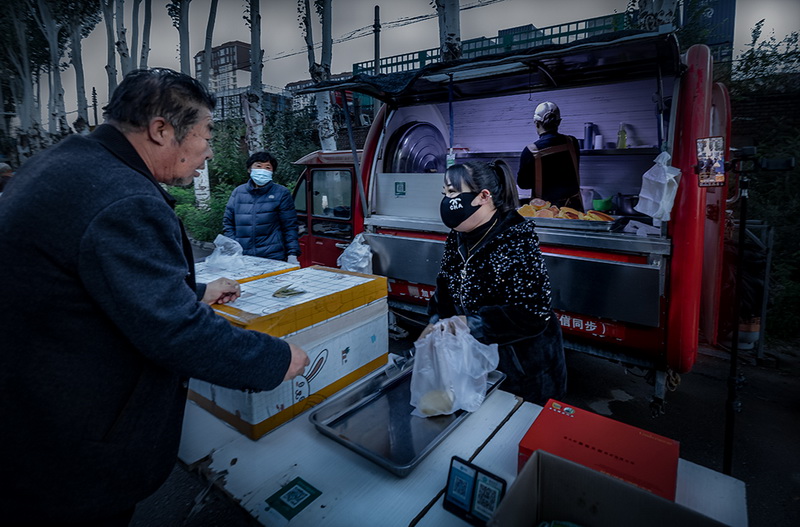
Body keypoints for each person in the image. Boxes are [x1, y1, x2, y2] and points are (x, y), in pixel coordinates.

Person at [0, 68, 309, 526]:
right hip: (67, 450)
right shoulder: (124, 198)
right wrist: (276, 358)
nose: (209, 151)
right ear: (162, 130)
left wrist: (197, 291)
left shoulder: (70, 165)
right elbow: (174, 331)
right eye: (206, 133)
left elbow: (102, 280)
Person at [421, 161, 567, 405]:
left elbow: (531, 312)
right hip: (478, 360)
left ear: (483, 196)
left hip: (522, 369)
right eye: (444, 193)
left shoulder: (516, 239)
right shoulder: (459, 237)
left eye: (453, 193)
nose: (447, 201)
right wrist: (436, 322)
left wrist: (469, 323)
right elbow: (446, 285)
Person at [223, 151, 301, 264]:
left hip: (273, 256)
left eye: (267, 167)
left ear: (272, 171)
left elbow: (290, 226)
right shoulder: (238, 192)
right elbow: (228, 223)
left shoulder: (281, 193)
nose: (262, 170)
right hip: (243, 257)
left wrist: (292, 253)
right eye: (258, 166)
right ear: (249, 169)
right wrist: (234, 246)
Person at [516, 101, 583, 211]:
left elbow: (523, 184)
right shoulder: (572, 143)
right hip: (573, 210)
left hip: (547, 212)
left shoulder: (530, 151)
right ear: (559, 122)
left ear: (536, 123)